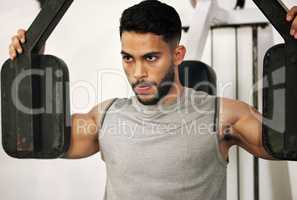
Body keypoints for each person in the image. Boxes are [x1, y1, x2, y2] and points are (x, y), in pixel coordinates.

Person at [7, 1, 297, 199]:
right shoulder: (106, 117)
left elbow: (288, 142)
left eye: (151, 58)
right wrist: (32, 63)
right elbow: (41, 140)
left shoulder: (222, 117)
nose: (138, 73)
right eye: (128, 58)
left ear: (178, 55)